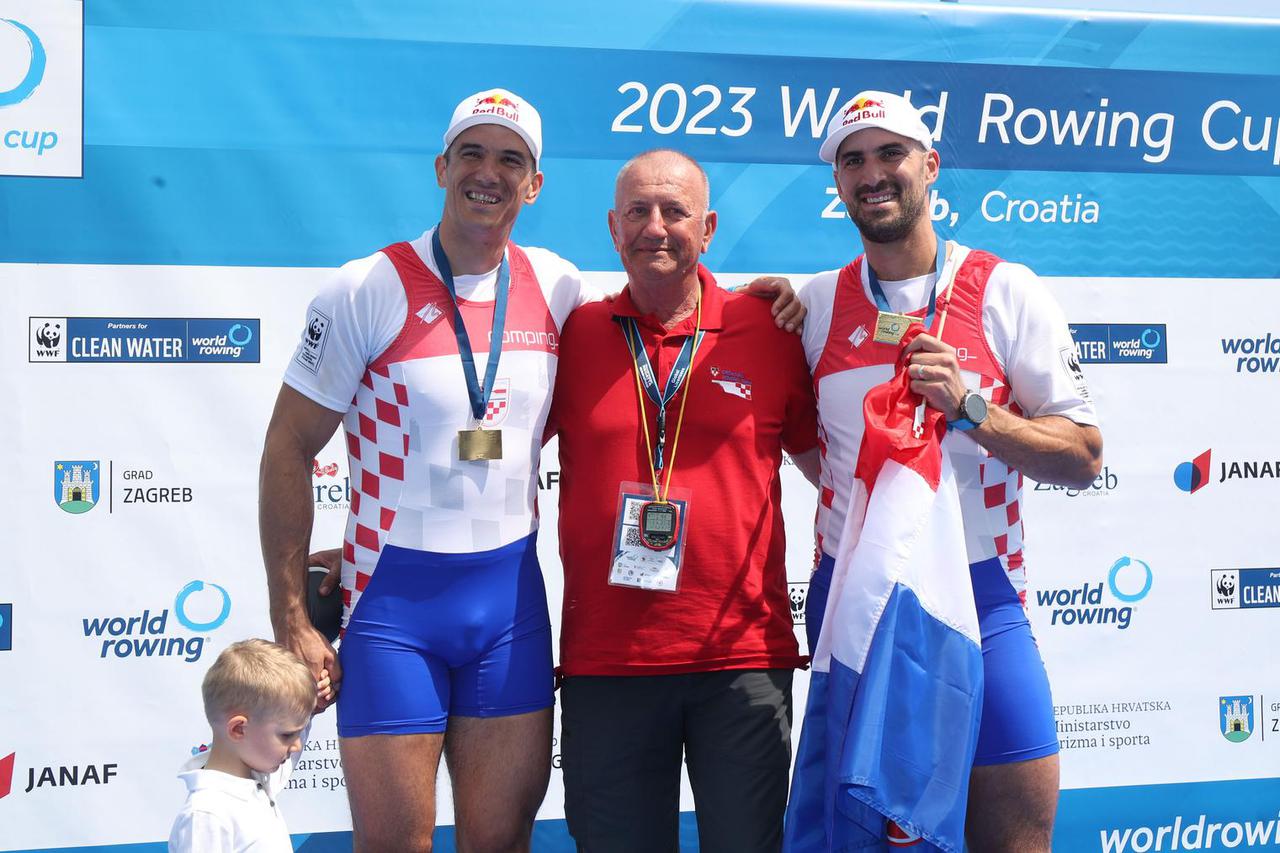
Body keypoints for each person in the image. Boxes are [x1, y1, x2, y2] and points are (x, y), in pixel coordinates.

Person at [262, 91, 803, 852]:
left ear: (535, 183)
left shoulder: (556, 289)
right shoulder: (367, 287)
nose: (489, 173)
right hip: (393, 607)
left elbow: (669, 311)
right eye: (473, 154)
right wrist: (291, 614)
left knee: (501, 841)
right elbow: (287, 447)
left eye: (510, 159)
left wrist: (767, 299)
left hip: (508, 610)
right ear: (442, 167)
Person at [797, 91, 1103, 852]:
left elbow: (1083, 455)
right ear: (838, 182)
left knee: (1016, 835)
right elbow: (809, 447)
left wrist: (971, 409)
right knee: (866, 841)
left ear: (930, 166)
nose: (873, 173)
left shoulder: (1005, 289)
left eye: (891, 154)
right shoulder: (814, 304)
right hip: (858, 602)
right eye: (853, 160)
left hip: (981, 597)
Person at [547, 149, 821, 853]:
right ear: (613, 227)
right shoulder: (573, 335)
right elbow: (486, 443)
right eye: (638, 211)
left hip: (740, 658)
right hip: (608, 663)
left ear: (708, 227)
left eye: (675, 211)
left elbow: (837, 466)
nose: (656, 227)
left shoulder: (772, 328)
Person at [169, 639, 318, 853]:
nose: (296, 746)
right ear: (239, 729)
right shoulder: (206, 814)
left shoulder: (259, 778)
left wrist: (312, 705)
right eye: (287, 735)